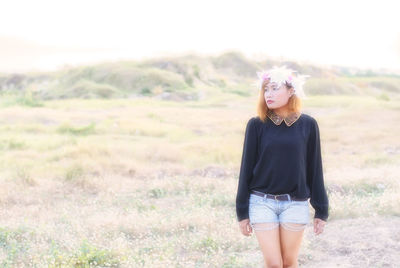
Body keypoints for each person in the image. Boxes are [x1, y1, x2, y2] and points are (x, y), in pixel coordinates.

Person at [235, 66, 329, 268]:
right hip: (261, 202)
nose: (269, 94)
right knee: (274, 264)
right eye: (266, 89)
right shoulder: (256, 124)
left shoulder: (308, 124)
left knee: (289, 262)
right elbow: (245, 170)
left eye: (275, 88)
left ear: (291, 90)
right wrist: (242, 212)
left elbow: (314, 168)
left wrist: (321, 209)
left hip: (295, 203)